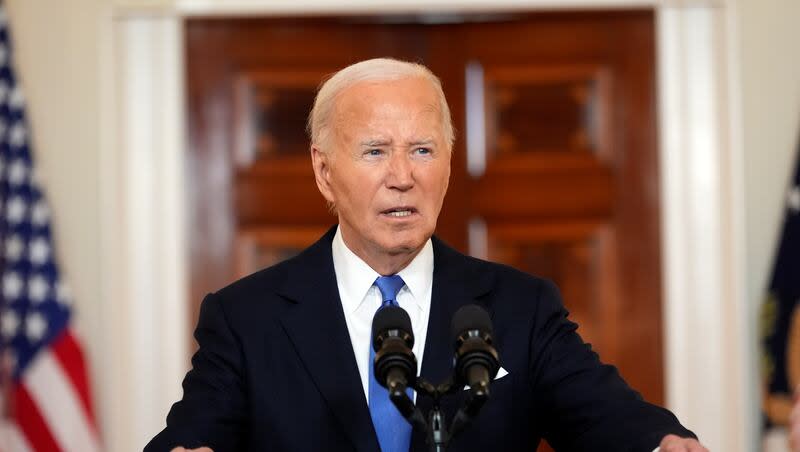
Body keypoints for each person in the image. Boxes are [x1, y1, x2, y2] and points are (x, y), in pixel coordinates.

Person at [146, 58, 707, 452]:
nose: (402, 177)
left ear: (448, 164)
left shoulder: (520, 306)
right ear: (323, 171)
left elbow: (606, 415)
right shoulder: (248, 317)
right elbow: (194, 435)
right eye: (374, 151)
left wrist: (660, 444)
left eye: (422, 150)